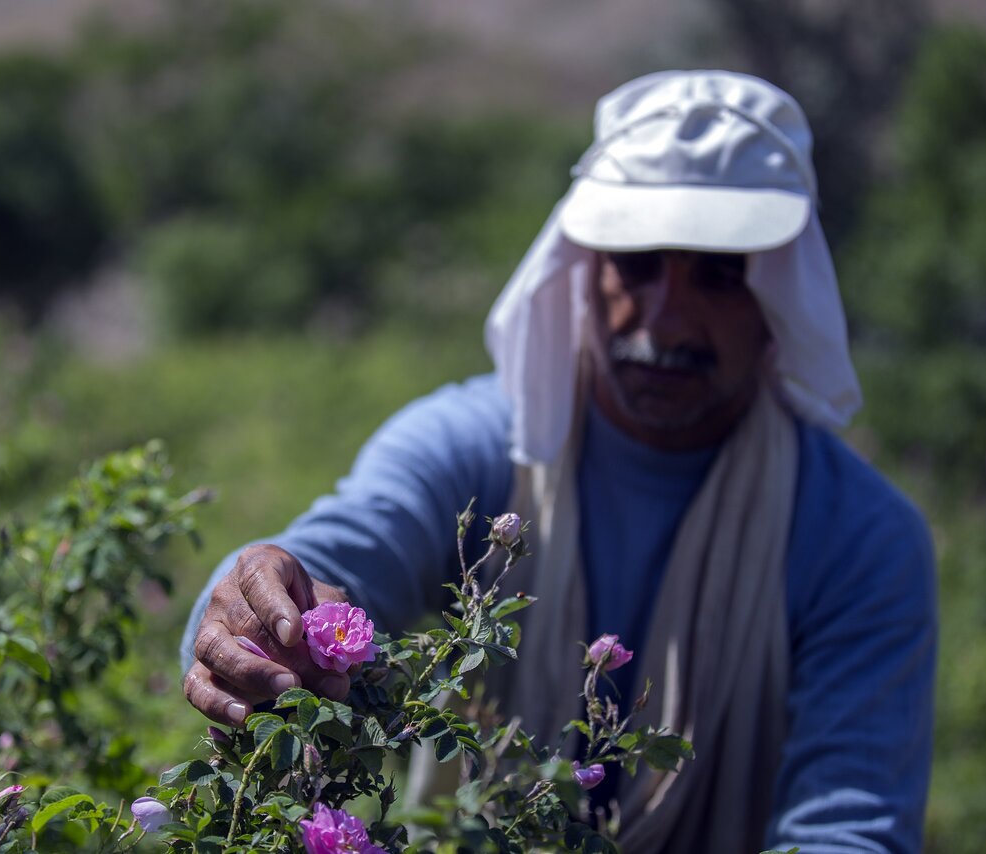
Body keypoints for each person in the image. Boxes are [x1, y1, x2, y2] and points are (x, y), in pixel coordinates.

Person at [179, 70, 936, 853]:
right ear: (587, 267)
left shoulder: (858, 540)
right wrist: (266, 609)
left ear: (779, 295)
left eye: (718, 275)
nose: (665, 320)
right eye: (637, 264)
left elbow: (848, 828)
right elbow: (339, 550)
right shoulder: (473, 445)